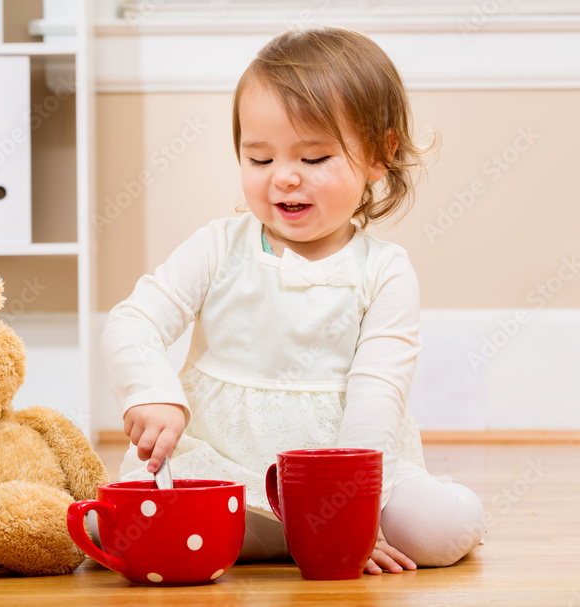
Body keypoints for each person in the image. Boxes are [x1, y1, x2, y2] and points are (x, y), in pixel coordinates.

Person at [101, 26, 485, 574]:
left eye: (314, 158)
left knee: (436, 527)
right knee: (125, 514)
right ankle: (275, 532)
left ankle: (291, 533)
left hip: (353, 473)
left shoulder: (385, 270)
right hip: (229, 464)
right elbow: (134, 320)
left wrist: (353, 514)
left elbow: (377, 393)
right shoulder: (216, 246)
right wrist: (152, 394)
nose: (283, 178)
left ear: (381, 153)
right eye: (259, 160)